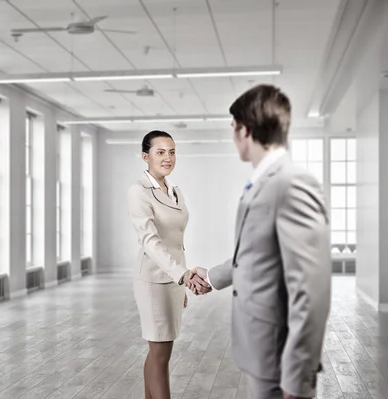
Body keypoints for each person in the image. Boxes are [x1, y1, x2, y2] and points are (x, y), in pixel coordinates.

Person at [187, 84, 332, 399]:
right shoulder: (263, 183)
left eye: (233, 128)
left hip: (281, 363)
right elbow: (255, 255)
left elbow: (311, 291)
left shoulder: (291, 184)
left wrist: (297, 379)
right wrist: (211, 277)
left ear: (245, 130)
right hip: (262, 355)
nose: (232, 136)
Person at [127, 130, 210, 399]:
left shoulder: (175, 190)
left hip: (173, 280)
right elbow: (151, 242)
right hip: (153, 280)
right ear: (145, 156)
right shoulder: (138, 191)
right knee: (160, 353)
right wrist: (183, 276)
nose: (167, 158)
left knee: (159, 353)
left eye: (172, 152)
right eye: (160, 152)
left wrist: (180, 283)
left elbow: (175, 241)